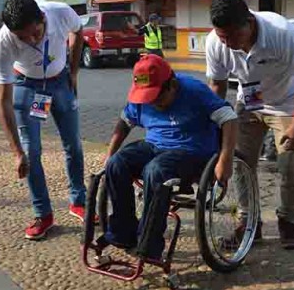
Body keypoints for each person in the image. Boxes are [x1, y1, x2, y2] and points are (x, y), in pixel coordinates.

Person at [102, 55, 238, 260]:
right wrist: (110, 154)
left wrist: (225, 159)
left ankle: (149, 246)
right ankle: (123, 233)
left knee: (155, 170)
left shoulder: (194, 91)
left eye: (157, 98)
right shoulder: (141, 96)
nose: (154, 104)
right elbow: (124, 122)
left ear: (172, 85)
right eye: (149, 99)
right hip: (155, 145)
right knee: (116, 164)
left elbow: (229, 118)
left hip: (192, 151)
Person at [205, 0, 294, 249]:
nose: (228, 43)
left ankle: (288, 223)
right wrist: (214, 125)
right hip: (248, 105)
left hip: (285, 105)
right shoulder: (215, 42)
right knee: (240, 164)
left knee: (289, 167)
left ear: (249, 23)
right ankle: (250, 224)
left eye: (232, 36)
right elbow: (217, 87)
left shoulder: (281, 33)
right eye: (222, 37)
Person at [0, 0, 86, 240]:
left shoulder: (61, 13)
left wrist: (73, 72)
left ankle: (79, 202)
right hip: (31, 88)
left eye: (35, 33)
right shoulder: (5, 41)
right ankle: (43, 214)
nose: (30, 41)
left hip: (59, 83)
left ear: (42, 19)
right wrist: (16, 152)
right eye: (23, 38)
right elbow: (3, 101)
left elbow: (79, 32)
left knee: (73, 145)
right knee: (31, 152)